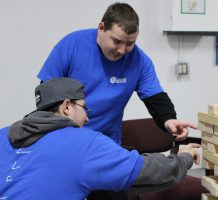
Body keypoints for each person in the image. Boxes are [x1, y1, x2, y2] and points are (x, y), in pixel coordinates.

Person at [0, 78, 201, 199]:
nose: (87, 116)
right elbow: (144, 172)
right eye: (84, 108)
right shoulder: (84, 143)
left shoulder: (3, 135)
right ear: (67, 106)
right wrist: (185, 157)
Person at [37, 2, 197, 145]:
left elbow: (155, 99)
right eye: (116, 41)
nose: (122, 50)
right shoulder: (71, 45)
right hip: (65, 140)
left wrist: (169, 120)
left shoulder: (140, 61)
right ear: (101, 28)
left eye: (130, 44)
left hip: (106, 144)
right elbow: (47, 97)